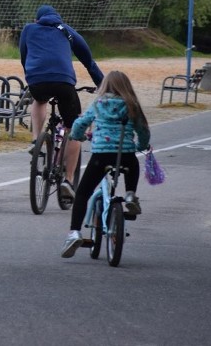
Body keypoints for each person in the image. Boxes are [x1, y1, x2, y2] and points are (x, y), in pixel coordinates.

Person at [61, 70, 150, 258]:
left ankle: (74, 233)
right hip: (125, 154)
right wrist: (140, 146)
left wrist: (76, 136)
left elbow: (80, 124)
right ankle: (130, 196)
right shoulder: (132, 104)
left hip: (101, 155)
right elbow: (143, 129)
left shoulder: (98, 103)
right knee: (132, 165)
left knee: (83, 193)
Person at [19, 4, 104, 198]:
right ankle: (68, 179)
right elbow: (89, 61)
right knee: (73, 127)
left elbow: (24, 57)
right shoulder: (67, 30)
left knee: (39, 100)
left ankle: (35, 139)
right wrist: (101, 84)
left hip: (37, 79)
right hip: (64, 82)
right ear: (58, 18)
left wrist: (31, 75)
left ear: (37, 19)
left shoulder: (28, 29)